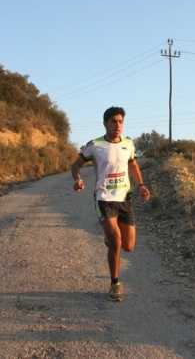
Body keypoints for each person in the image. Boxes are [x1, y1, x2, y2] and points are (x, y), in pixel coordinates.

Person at [71, 106, 150, 301]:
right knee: (116, 242)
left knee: (129, 246)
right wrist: (77, 179)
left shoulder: (129, 143)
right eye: (113, 121)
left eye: (121, 121)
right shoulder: (95, 145)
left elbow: (133, 163)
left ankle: (111, 241)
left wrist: (141, 185)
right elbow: (76, 165)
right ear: (105, 123)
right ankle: (115, 284)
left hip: (125, 199)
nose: (118, 125)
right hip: (104, 199)